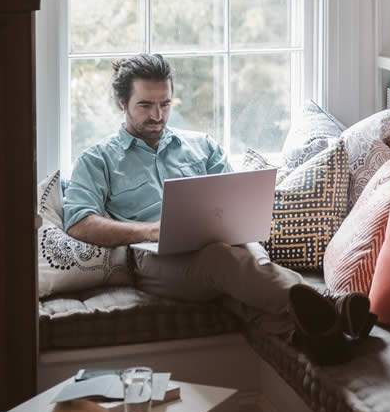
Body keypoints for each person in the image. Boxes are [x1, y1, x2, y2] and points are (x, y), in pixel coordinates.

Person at [63, 53, 371, 360]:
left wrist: (241, 222)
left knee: (241, 265)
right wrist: (152, 231)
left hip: (223, 247)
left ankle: (321, 340)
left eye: (165, 104)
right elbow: (79, 222)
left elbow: (235, 199)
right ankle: (332, 305)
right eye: (145, 105)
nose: (157, 115)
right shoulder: (98, 159)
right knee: (221, 259)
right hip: (154, 261)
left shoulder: (202, 146)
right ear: (122, 103)